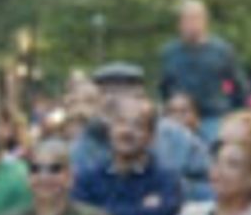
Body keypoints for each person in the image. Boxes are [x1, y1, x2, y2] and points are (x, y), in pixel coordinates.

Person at [72, 62, 209, 199]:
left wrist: (171, 190)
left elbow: (208, 182)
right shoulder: (84, 145)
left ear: (142, 98)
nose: (112, 99)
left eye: (123, 93)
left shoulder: (176, 137)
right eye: (105, 93)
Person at [158, 0, 249, 141]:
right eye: (187, 19)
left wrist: (232, 110)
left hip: (213, 117)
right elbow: (165, 86)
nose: (191, 23)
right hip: (180, 118)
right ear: (179, 23)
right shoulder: (170, 52)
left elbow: (233, 84)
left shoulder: (222, 51)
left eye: (196, 18)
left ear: (205, 21)